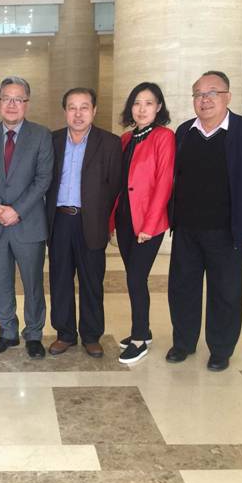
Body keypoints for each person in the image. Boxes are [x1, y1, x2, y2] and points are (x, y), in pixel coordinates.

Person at [167, 70, 242, 371]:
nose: (204, 100)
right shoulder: (184, 132)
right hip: (186, 228)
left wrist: (241, 201)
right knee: (182, 288)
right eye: (198, 94)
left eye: (212, 93)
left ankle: (221, 349)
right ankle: (183, 342)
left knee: (225, 292)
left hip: (226, 230)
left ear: (227, 97)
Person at [0, 76, 53, 359]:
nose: (12, 104)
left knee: (32, 283)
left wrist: (16, 210)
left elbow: (43, 180)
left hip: (28, 223)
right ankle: (7, 331)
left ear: (26, 104)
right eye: (7, 98)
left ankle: (34, 334)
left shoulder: (41, 135)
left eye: (18, 99)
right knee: (0, 281)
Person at [46, 88, 121, 358]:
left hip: (91, 221)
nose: (78, 114)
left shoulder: (109, 143)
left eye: (84, 107)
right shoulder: (52, 140)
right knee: (60, 280)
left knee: (91, 281)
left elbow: (115, 185)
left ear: (94, 111)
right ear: (65, 111)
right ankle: (65, 333)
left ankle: (91, 335)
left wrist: (101, 216)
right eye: (72, 107)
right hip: (59, 221)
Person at [110, 82, 175, 364]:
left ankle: (138, 339)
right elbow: (118, 184)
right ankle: (144, 330)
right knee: (134, 277)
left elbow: (164, 182)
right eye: (137, 103)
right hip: (125, 219)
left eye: (148, 103)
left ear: (158, 107)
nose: (141, 109)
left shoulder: (164, 137)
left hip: (148, 223)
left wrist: (149, 225)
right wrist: (112, 221)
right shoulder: (126, 139)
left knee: (136, 277)